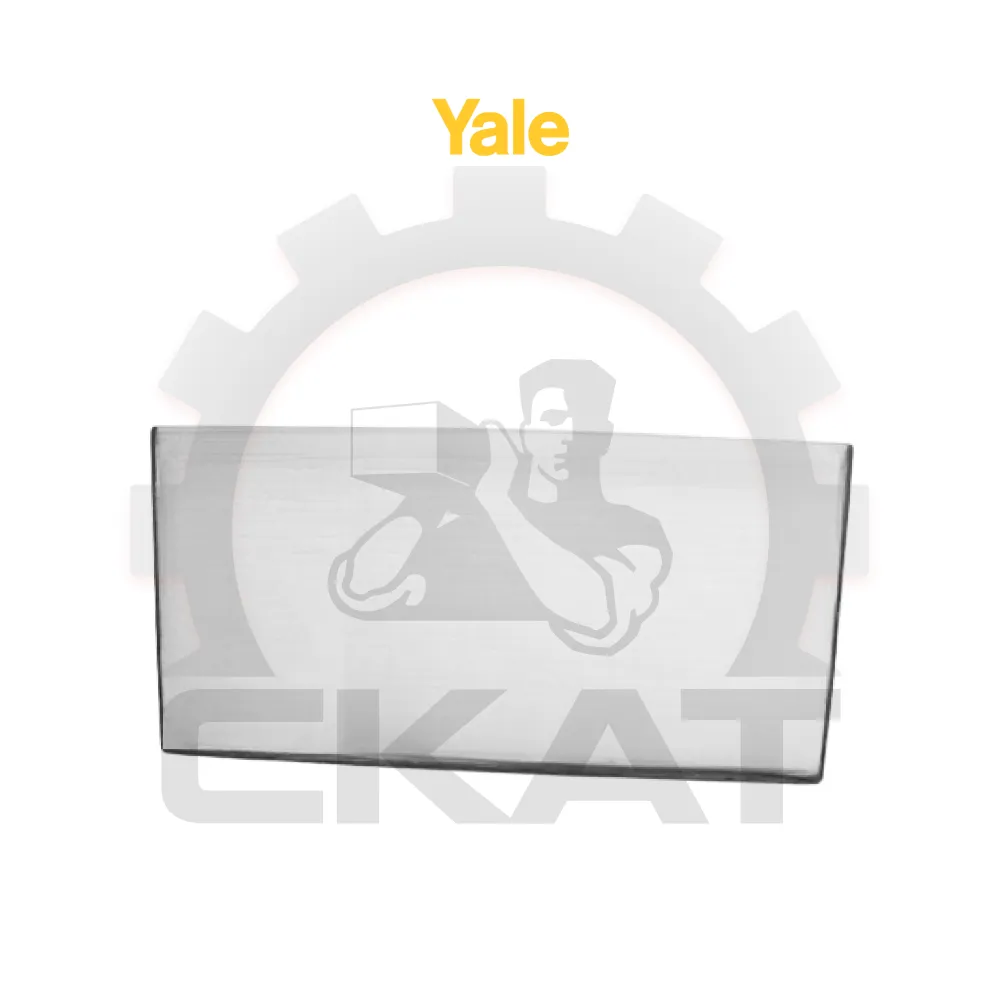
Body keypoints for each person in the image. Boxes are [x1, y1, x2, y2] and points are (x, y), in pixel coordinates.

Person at [329, 360, 671, 654]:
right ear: (524, 433)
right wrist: (439, 485)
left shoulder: (636, 531)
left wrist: (497, 500)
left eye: (582, 422)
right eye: (552, 419)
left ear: (606, 436)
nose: (567, 434)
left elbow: (603, 615)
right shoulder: (466, 521)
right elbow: (360, 586)